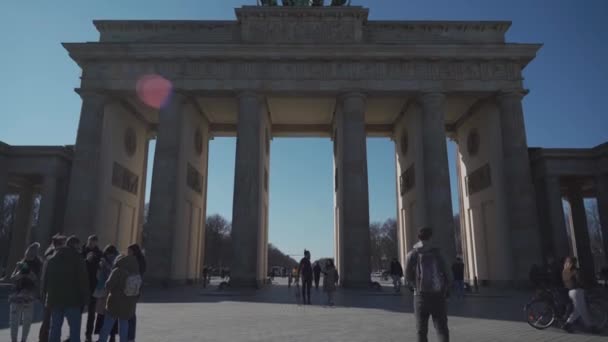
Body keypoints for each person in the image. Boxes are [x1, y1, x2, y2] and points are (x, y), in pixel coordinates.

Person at [405, 227, 450, 342]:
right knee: (441, 329)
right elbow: (448, 274)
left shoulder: (412, 254)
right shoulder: (438, 253)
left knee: (421, 330)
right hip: (438, 296)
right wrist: (447, 288)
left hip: (420, 296)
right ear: (431, 237)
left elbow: (407, 277)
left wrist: (414, 288)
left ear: (418, 238)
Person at [42, 236, 89, 342]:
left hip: (54, 299)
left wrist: (44, 295)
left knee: (55, 328)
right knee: (74, 330)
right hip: (73, 300)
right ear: (75, 245)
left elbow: (45, 279)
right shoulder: (78, 258)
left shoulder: (52, 259)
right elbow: (83, 281)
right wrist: (86, 300)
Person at [97, 254, 142, 342]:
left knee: (107, 325)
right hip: (129, 304)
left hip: (114, 303)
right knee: (124, 326)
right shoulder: (135, 272)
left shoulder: (117, 271)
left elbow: (108, 286)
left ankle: (102, 340)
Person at [9, 243, 42, 342]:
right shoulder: (21, 263)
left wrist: (30, 274)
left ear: (36, 252)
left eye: (33, 251)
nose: (30, 252)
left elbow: (38, 280)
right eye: (29, 250)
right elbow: (12, 278)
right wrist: (20, 274)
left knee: (27, 321)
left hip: (29, 296)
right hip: (16, 295)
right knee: (14, 320)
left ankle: (23, 340)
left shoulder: (39, 264)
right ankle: (14, 340)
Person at [39, 234, 66, 342]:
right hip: (51, 292)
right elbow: (45, 277)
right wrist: (43, 292)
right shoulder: (52, 256)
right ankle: (44, 339)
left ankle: (45, 338)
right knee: (49, 319)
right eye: (64, 243)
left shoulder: (52, 255)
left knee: (50, 319)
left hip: (51, 291)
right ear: (60, 244)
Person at [561, 256, 597, 334]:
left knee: (577, 310)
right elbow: (580, 280)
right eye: (575, 262)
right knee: (583, 310)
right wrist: (585, 286)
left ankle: (567, 324)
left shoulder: (564, 271)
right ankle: (591, 327)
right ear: (573, 262)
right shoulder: (574, 270)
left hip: (570, 291)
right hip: (577, 291)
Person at [93, 245, 119, 342]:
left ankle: (110, 337)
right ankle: (104, 337)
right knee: (103, 316)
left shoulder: (116, 262)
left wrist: (105, 266)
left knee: (107, 316)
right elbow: (98, 275)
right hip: (104, 291)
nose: (109, 256)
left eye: (110, 254)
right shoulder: (106, 261)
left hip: (109, 291)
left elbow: (112, 274)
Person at [81, 235, 102, 342]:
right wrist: (86, 260)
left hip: (93, 285)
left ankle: (88, 334)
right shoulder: (82, 250)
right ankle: (73, 333)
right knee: (77, 311)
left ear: (96, 243)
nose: (91, 244)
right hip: (81, 284)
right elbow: (78, 265)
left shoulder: (99, 253)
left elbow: (101, 267)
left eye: (93, 242)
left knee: (91, 312)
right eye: (90, 241)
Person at [126, 244, 146, 342]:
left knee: (130, 313)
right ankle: (129, 336)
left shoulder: (136, 261)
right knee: (130, 313)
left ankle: (130, 336)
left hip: (132, 289)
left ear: (134, 251)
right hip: (135, 289)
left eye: (129, 251)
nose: (127, 253)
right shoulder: (140, 260)